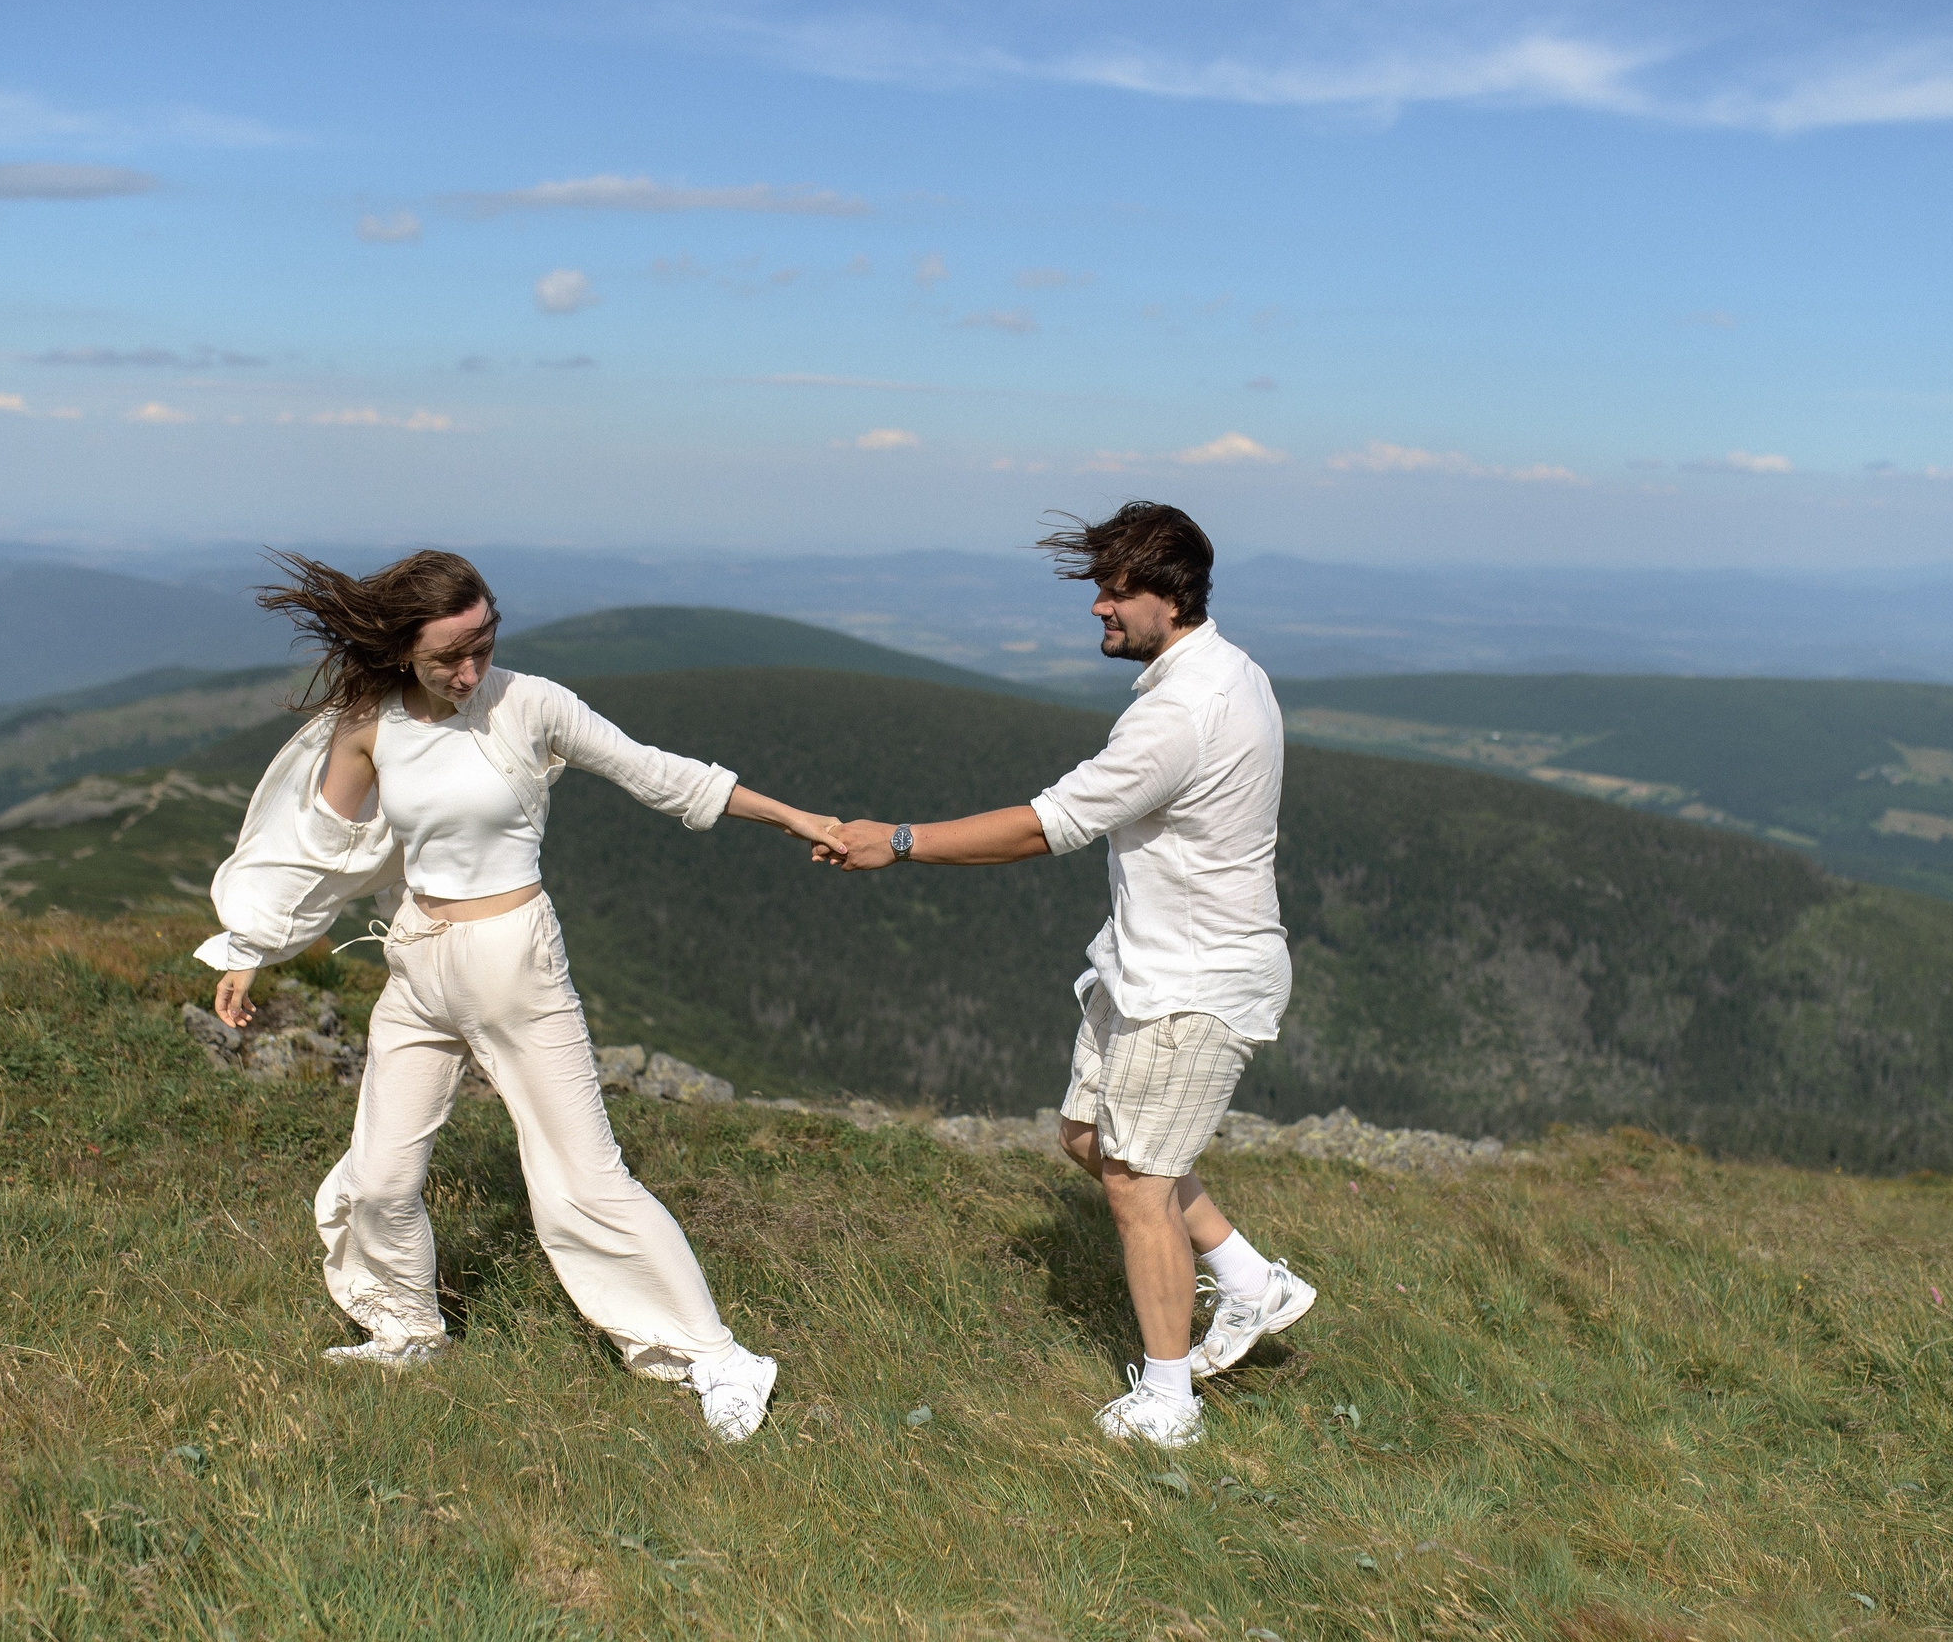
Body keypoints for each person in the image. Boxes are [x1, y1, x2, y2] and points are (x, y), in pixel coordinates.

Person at [198, 549, 835, 1443]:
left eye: (484, 644)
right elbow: (323, 849)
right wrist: (250, 947)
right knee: (380, 1177)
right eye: (447, 656)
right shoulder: (368, 723)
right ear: (399, 651)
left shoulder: (531, 704)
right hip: (418, 962)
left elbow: (660, 773)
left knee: (580, 1181)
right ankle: (407, 1327)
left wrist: (798, 818)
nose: (470, 671)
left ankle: (718, 1357)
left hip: (515, 963)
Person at [817, 502, 1314, 1448]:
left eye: (1118, 588)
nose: (1099, 606)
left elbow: (1047, 825)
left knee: (1135, 1179)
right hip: (1148, 969)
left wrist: (902, 842)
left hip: (1192, 984)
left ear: (1170, 595)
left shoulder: (1183, 711)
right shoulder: (1222, 670)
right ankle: (1253, 1282)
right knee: (1090, 1136)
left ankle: (1168, 1403)